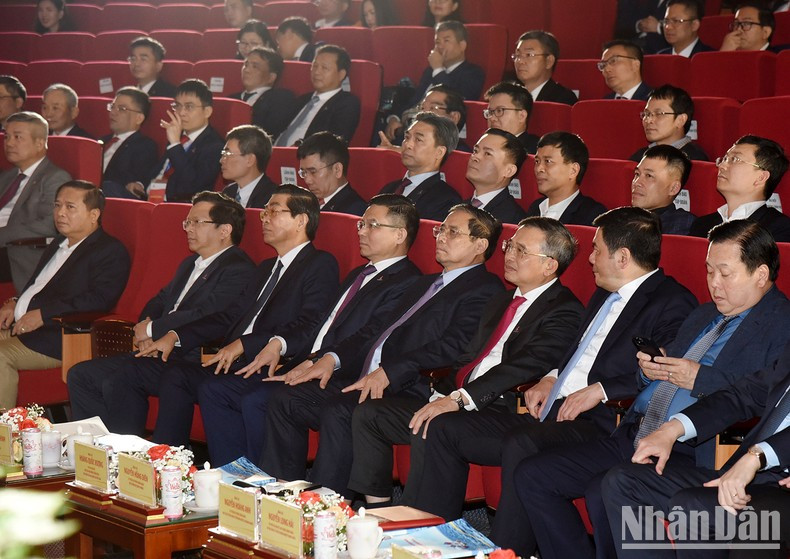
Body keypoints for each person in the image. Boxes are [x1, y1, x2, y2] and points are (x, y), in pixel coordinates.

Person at [407, 207, 697, 538]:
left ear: (623, 257)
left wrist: (601, 389)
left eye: (596, 250)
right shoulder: (604, 293)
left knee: (523, 443)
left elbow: (664, 373)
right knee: (441, 426)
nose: (589, 259)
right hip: (551, 408)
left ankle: (508, 549)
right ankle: (429, 538)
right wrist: (550, 376)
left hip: (601, 419)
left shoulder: (672, 302)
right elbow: (578, 351)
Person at [515, 219, 790, 559]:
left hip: (695, 445)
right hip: (636, 428)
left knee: (607, 488)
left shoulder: (781, 323)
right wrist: (650, 371)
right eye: (708, 272)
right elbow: (667, 370)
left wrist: (700, 378)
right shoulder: (704, 314)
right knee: (535, 475)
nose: (714, 284)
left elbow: (762, 397)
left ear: (760, 275)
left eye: (725, 273)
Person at [260, 203, 504, 497]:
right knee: (286, 399)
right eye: (440, 230)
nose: (440, 237)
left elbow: (451, 347)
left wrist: (390, 371)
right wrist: (325, 359)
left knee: (340, 411)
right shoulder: (425, 283)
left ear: (480, 244)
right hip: (361, 374)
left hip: (408, 384)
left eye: (453, 232)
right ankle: (278, 495)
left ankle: (326, 506)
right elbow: (373, 332)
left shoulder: (485, 289)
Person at [349, 217, 583, 507]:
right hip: (458, 398)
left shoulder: (564, 309)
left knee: (436, 424)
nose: (508, 255)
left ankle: (428, 524)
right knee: (371, 413)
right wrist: (440, 393)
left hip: (499, 408)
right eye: (509, 246)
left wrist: (458, 399)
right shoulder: (501, 300)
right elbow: (468, 357)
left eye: (521, 251)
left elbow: (524, 365)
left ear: (550, 265)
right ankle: (378, 511)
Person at [199, 194, 422, 465]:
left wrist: (321, 360)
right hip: (303, 361)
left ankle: (270, 485)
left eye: (372, 225)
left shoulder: (409, 282)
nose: (362, 231)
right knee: (217, 389)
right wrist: (280, 343)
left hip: (341, 373)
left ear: (400, 234)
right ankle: (233, 475)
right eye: (361, 224)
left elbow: (370, 336)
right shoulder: (359, 274)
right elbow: (318, 323)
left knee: (261, 400)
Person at [130, 185, 339, 446]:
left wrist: (246, 343)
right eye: (264, 212)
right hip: (234, 360)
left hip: (273, 362)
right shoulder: (265, 268)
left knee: (214, 389)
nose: (264, 219)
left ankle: (236, 477)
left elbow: (309, 323)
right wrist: (176, 334)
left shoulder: (319, 264)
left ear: (301, 220)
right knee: (177, 376)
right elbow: (228, 316)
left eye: (274, 211)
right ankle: (167, 461)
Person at [603, 300, 790, 555]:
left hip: (772, 476)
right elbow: (741, 396)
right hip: (755, 471)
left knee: (699, 509)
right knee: (624, 481)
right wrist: (673, 429)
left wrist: (757, 457)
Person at [68, 191, 255, 426]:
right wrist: (147, 327)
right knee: (81, 374)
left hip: (190, 356)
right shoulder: (190, 263)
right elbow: (159, 300)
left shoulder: (238, 268)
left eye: (196, 222)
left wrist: (152, 330)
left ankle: (127, 454)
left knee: (121, 376)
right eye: (187, 222)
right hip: (160, 349)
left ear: (224, 230)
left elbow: (205, 314)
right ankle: (95, 449)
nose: (188, 228)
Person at [0, 180, 130, 410]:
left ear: (94, 214)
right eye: (57, 205)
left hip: (60, 336)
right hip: (21, 326)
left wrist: (43, 314)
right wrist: (15, 302)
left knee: (1, 356)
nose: (60, 213)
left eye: (70, 207)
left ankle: (5, 437)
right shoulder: (60, 243)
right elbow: (42, 288)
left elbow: (99, 300)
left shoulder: (110, 251)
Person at [114, 79, 224, 203]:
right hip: (149, 198)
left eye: (189, 107)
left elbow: (192, 186)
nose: (181, 112)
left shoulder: (214, 146)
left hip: (175, 206)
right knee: (108, 188)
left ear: (207, 111)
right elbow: (160, 170)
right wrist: (141, 184)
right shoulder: (179, 136)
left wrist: (175, 144)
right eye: (177, 106)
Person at [0, 112, 71, 293]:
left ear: (40, 143)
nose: (8, 143)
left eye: (17, 137)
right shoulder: (7, 176)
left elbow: (50, 223)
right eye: (7, 136)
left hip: (19, 251)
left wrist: (2, 235)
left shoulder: (55, 178)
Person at [689, 136, 790, 242]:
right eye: (724, 159)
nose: (722, 166)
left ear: (761, 178)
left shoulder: (779, 229)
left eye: (736, 159)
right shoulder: (701, 224)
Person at [378, 112, 462, 222]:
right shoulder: (389, 188)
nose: (408, 144)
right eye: (407, 137)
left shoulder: (446, 199)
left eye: (418, 140)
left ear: (439, 152)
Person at [275, 45, 360, 146]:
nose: (317, 72)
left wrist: (300, 147)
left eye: (324, 68)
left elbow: (333, 143)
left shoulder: (346, 103)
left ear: (341, 74)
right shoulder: (302, 99)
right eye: (314, 66)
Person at [526, 131, 607, 226]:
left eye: (548, 161)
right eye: (537, 161)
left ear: (573, 170)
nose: (539, 168)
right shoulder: (536, 207)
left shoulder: (592, 214)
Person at [101, 87, 159, 195]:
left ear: (139, 118)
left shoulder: (144, 146)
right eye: (112, 107)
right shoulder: (99, 141)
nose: (113, 113)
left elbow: (138, 180)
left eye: (122, 109)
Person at [629, 84, 709, 162]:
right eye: (646, 114)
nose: (648, 120)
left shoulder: (694, 160)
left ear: (680, 120)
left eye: (659, 114)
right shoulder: (639, 157)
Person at [380, 85, 470, 152]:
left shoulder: (460, 153)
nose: (423, 114)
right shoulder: (404, 140)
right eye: (422, 108)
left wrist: (402, 152)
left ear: (454, 117)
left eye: (433, 108)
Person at [231, 47, 296, 139]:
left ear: (271, 77)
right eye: (246, 64)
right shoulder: (231, 99)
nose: (246, 70)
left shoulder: (280, 99)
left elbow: (270, 132)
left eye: (255, 66)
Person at [465, 128, 527, 224]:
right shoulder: (459, 207)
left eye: (487, 154)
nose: (475, 157)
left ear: (509, 171)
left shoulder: (513, 219)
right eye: (475, 151)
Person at [297, 132, 366, 215]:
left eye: (313, 172)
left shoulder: (354, 211)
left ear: (337, 170)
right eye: (303, 172)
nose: (307, 180)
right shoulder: (307, 204)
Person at [632, 145, 696, 235]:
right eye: (637, 174)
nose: (636, 183)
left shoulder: (684, 225)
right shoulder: (618, 218)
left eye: (649, 176)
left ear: (673, 188)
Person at [512, 30, 578, 106]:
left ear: (549, 61)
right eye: (517, 55)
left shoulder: (562, 98)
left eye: (529, 55)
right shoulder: (509, 95)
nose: (520, 61)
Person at [220, 125, 278, 209]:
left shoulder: (272, 197)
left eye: (228, 154)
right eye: (223, 154)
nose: (222, 160)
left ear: (250, 160)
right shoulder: (228, 193)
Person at [483, 81, 539, 154]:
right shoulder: (483, 144)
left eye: (499, 111)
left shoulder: (535, 151)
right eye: (490, 112)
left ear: (521, 116)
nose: (492, 118)